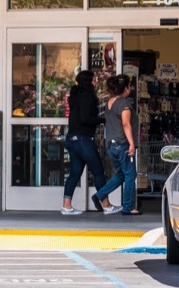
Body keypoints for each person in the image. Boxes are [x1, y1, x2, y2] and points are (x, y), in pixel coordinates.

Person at [60, 70, 111, 215]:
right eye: (94, 79)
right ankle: (105, 204)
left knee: (75, 173)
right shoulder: (86, 97)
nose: (96, 82)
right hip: (83, 139)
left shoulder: (76, 96)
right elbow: (85, 118)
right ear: (88, 82)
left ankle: (66, 205)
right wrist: (103, 120)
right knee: (98, 171)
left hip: (72, 139)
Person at [91, 73, 139, 216]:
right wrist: (131, 143)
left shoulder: (109, 103)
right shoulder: (123, 103)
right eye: (129, 86)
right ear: (125, 88)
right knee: (130, 175)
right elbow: (126, 124)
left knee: (121, 174)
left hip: (111, 145)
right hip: (122, 144)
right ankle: (128, 207)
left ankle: (100, 195)